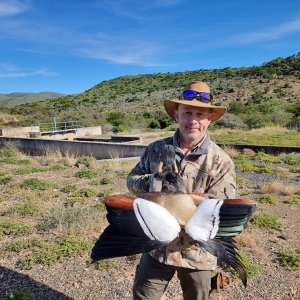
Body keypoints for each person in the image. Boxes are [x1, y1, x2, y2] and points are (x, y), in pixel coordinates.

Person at [127, 81, 236, 300]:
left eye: (200, 114)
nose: (193, 120)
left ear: (209, 119)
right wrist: (154, 181)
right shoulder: (156, 149)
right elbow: (132, 181)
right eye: (187, 113)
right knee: (143, 297)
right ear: (177, 115)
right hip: (156, 247)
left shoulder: (221, 162)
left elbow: (220, 214)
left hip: (199, 254)